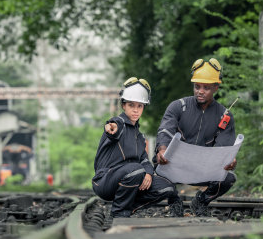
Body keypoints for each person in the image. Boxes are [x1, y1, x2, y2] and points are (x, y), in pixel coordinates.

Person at [155, 58, 237, 216]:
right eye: (197, 86)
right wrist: (162, 149)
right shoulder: (177, 107)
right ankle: (174, 201)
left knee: (229, 178)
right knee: (156, 173)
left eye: (206, 88)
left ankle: (201, 201)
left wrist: (228, 160)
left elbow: (224, 148)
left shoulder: (224, 116)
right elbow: (166, 129)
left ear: (216, 87)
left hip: (204, 171)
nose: (200, 91)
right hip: (175, 168)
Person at [92, 77, 182, 218]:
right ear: (123, 105)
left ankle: (127, 208)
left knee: (167, 186)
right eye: (131, 105)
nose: (135, 110)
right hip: (104, 182)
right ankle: (119, 213)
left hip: (131, 177)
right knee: (135, 170)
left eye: (139, 106)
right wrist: (110, 128)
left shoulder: (140, 137)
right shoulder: (119, 123)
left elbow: (144, 160)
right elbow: (114, 126)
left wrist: (148, 173)